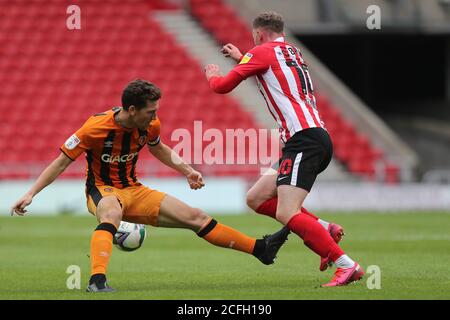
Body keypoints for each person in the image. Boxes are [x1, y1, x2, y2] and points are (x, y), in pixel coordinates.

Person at [10, 79, 290, 292]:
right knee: (110, 213)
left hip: (135, 190)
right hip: (103, 190)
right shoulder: (94, 128)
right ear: (131, 110)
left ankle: (260, 249)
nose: (154, 116)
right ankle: (97, 281)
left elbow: (159, 148)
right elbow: (61, 162)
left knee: (197, 217)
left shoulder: (150, 125)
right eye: (150, 111)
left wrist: (188, 170)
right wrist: (31, 193)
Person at [204, 12, 364, 287]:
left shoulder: (261, 51)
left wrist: (213, 75)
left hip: (304, 140)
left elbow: (222, 87)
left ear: (259, 34)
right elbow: (270, 72)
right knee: (256, 198)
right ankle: (326, 229)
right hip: (312, 136)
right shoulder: (293, 52)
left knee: (286, 212)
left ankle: (346, 265)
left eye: (254, 37)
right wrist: (243, 57)